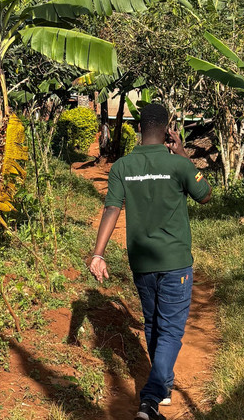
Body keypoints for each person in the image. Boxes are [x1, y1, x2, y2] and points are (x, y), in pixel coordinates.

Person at [87, 102, 211, 420]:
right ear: (168, 129)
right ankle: (151, 400)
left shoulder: (122, 167)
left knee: (154, 323)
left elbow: (111, 209)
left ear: (139, 128)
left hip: (141, 261)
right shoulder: (178, 165)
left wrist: (98, 254)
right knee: (169, 331)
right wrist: (183, 154)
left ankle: (162, 387)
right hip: (175, 262)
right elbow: (205, 194)